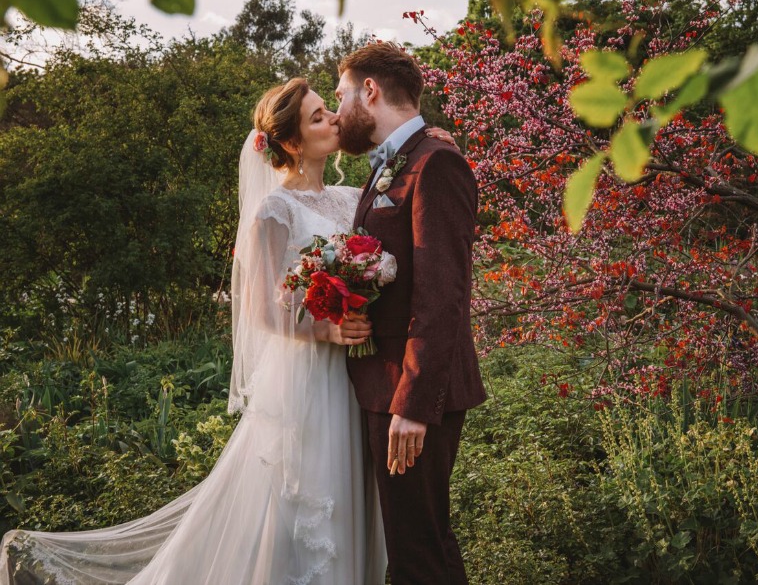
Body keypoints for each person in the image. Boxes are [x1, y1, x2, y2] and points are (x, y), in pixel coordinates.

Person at [0, 78, 455, 584]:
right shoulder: (272, 211)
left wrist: (433, 137)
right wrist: (326, 331)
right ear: (289, 142)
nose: (332, 120)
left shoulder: (354, 196)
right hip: (309, 378)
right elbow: (261, 310)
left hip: (359, 378)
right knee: (305, 506)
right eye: (318, 117)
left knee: (358, 501)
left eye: (329, 109)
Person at [334, 43, 487, 584]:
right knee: (413, 544)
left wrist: (415, 404)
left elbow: (444, 295)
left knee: (419, 551)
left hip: (413, 391)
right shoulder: (395, 164)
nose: (337, 109)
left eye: (341, 94)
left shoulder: (435, 161)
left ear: (369, 91)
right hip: (386, 385)